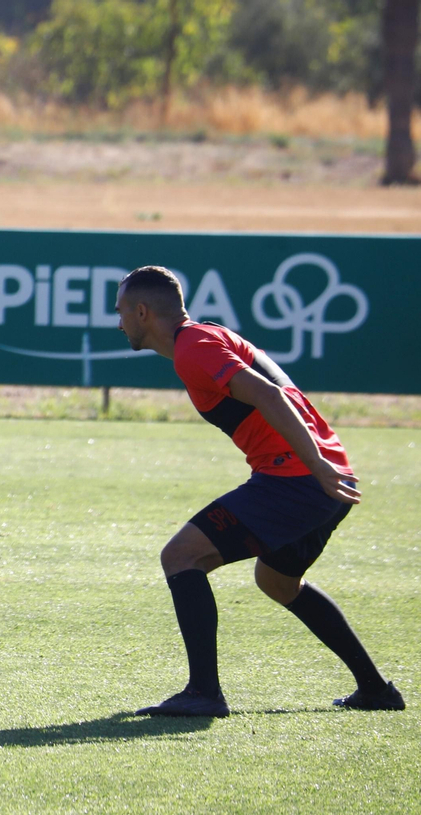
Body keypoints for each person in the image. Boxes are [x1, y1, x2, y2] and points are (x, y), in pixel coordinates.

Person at [114, 265, 404, 717]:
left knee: (181, 556)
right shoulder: (206, 337)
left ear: (143, 311)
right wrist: (324, 468)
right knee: (278, 582)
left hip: (300, 479)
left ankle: (203, 694)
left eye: (121, 312)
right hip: (323, 475)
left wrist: (315, 468)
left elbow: (270, 394)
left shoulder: (194, 347)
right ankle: (376, 690)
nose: (119, 323)